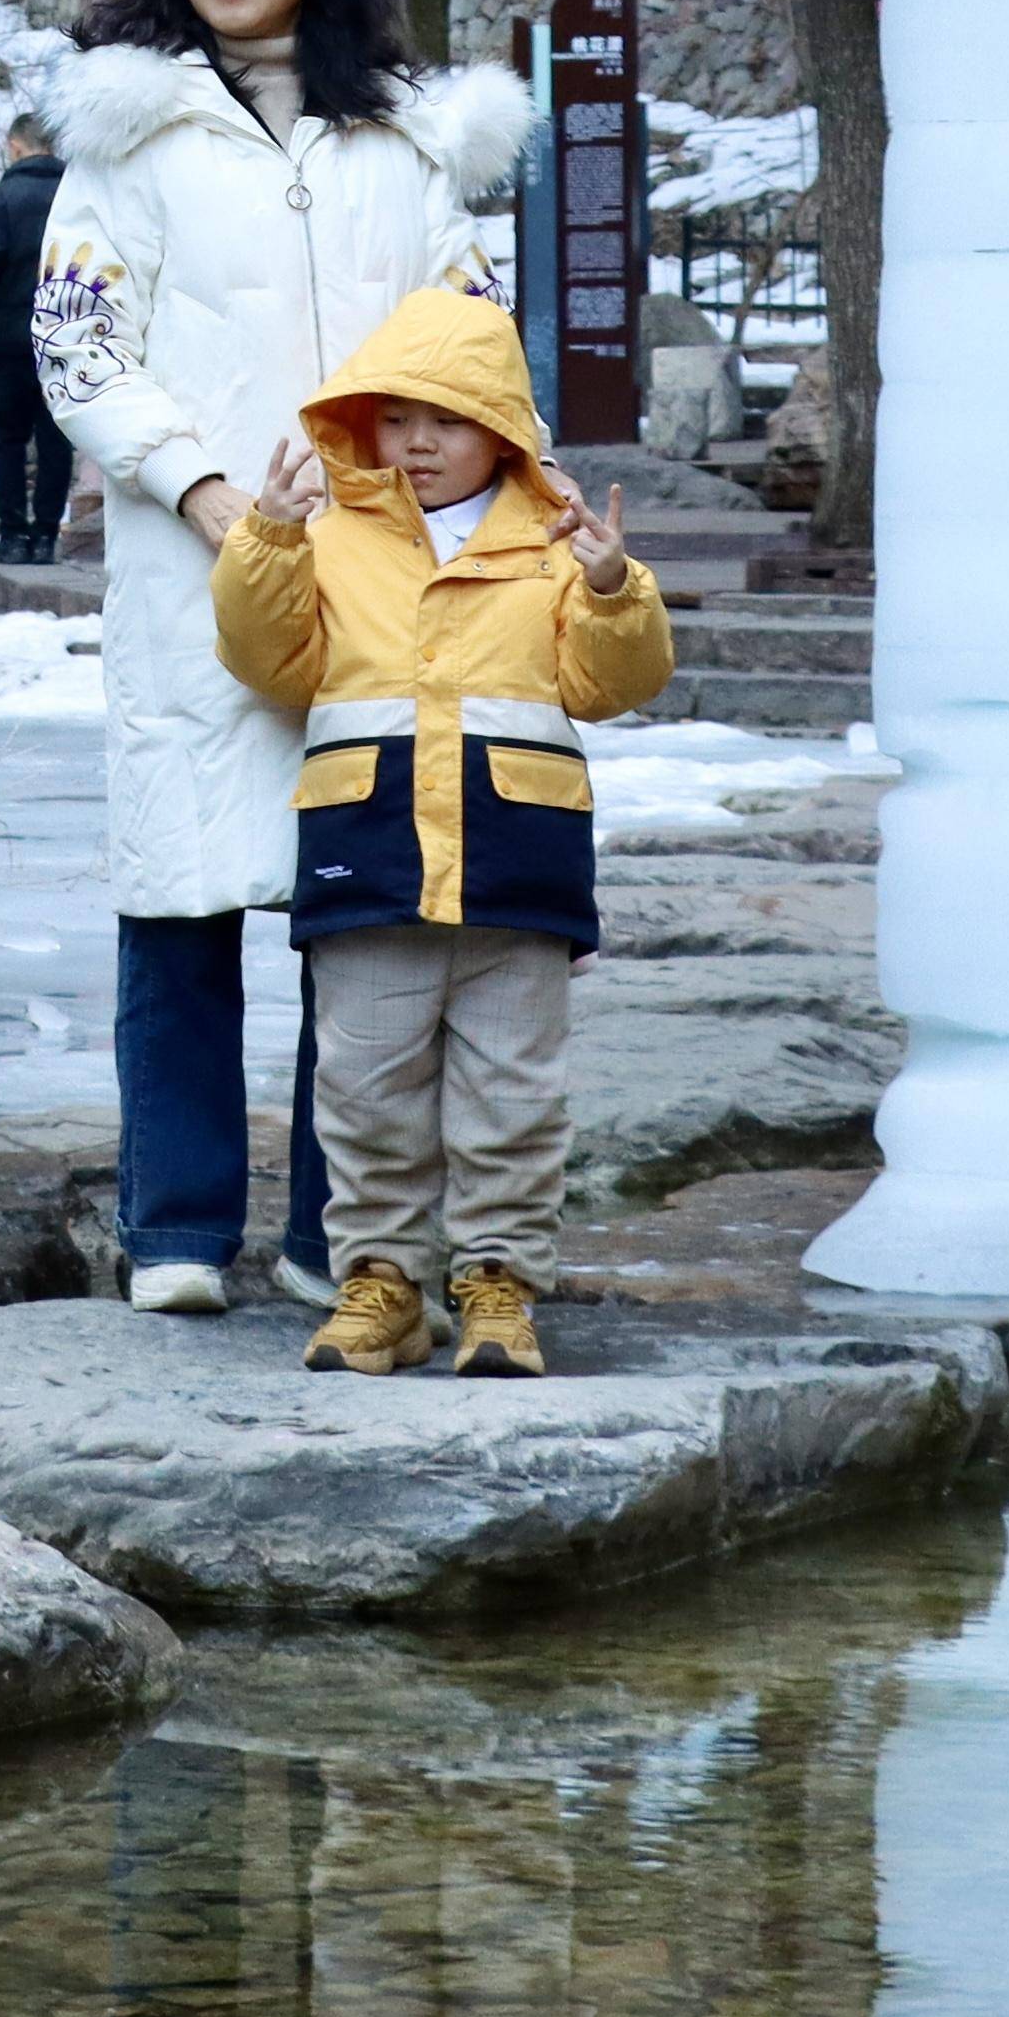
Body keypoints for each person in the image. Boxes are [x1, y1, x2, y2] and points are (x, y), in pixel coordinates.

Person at [37, 0, 524, 1315]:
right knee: (180, 900)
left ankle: (341, 1234)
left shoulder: (407, 145)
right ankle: (176, 1230)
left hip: (383, 580)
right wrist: (201, 487)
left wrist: (418, 481)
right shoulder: (131, 142)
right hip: (194, 565)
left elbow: (470, 335)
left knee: (359, 909)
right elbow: (76, 341)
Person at [208, 287, 673, 1381]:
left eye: (450, 419)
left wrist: (612, 586)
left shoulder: (556, 542)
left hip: (520, 860)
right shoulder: (328, 538)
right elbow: (267, 657)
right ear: (359, 421)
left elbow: (609, 684)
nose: (419, 441)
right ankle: (381, 1284)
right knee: (365, 1087)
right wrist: (267, 540)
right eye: (398, 416)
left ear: (503, 427)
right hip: (366, 851)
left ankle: (500, 1286)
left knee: (513, 1089)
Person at [0, 113, 70, 564]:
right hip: (66, 335)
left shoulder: (2, 198)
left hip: (11, 337)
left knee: (7, 437)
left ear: (14, 146)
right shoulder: (77, 193)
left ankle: (12, 536)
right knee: (55, 438)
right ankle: (46, 536)